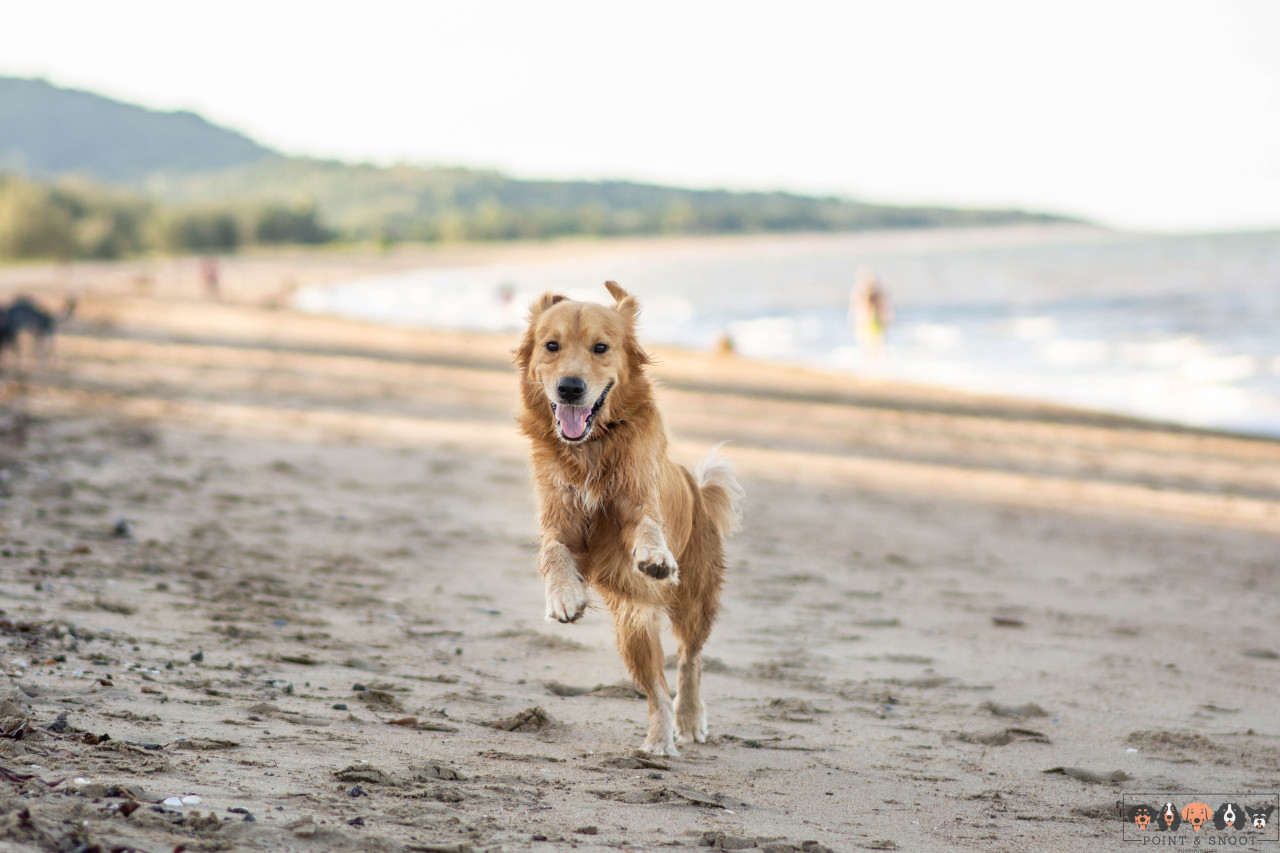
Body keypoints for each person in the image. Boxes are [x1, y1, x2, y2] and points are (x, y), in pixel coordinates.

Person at [850, 267, 892, 365]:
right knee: (866, 346)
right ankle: (868, 367)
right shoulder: (860, 294)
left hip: (874, 323)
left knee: (876, 346)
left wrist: (886, 319)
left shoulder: (877, 294)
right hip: (864, 323)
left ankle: (875, 368)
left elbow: (884, 308)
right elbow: (855, 309)